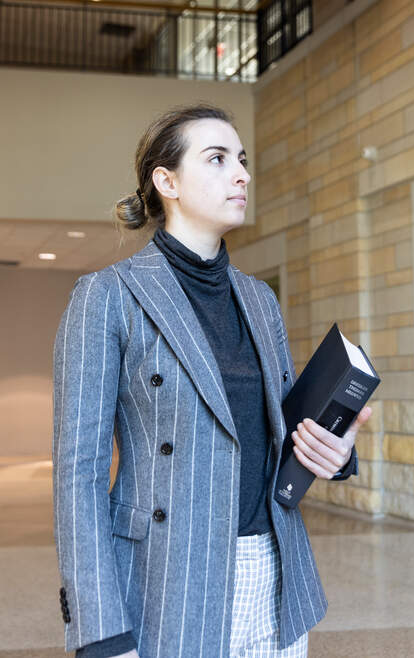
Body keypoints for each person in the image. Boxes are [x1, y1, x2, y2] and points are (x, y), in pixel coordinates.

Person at [53, 104, 371, 658]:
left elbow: (279, 432)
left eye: (242, 160)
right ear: (167, 181)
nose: (242, 174)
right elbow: (78, 475)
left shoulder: (259, 299)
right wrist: (101, 631)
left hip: (276, 574)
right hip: (169, 580)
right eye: (218, 159)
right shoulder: (107, 296)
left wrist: (335, 450)